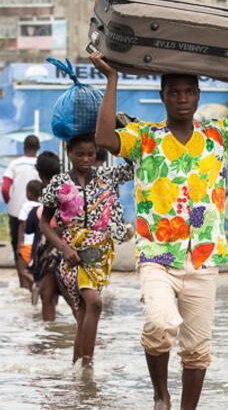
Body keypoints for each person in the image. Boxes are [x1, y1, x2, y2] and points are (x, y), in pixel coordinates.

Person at [92, 23, 228, 410]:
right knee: (161, 325)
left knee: (198, 349)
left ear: (198, 96)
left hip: (204, 256)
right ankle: (161, 395)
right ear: (162, 97)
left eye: (189, 92)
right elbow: (104, 139)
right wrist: (112, 80)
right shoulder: (145, 138)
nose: (182, 98)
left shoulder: (219, 136)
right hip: (157, 255)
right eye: (174, 92)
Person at [39, 134, 134, 367]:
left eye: (91, 154)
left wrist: (123, 131)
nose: (86, 159)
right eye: (80, 154)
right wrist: (63, 247)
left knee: (83, 312)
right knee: (94, 303)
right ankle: (88, 366)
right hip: (72, 254)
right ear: (68, 153)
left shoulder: (106, 177)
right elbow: (44, 222)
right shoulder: (59, 183)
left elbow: (134, 167)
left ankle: (79, 369)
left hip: (101, 254)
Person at [2, 135, 41, 288]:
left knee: (18, 249)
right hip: (39, 212)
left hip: (17, 212)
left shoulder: (14, 164)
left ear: (24, 147)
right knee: (38, 244)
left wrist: (10, 203)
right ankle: (38, 279)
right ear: (38, 148)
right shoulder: (41, 164)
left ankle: (23, 283)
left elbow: (5, 187)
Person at [30, 151, 62, 320]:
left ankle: (49, 337)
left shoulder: (46, 194)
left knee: (47, 297)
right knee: (75, 301)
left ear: (40, 173)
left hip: (49, 251)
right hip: (66, 248)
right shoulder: (68, 187)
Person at [15, 179, 44, 291]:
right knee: (36, 270)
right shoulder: (42, 206)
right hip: (38, 245)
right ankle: (34, 295)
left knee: (23, 271)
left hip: (26, 244)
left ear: (29, 193)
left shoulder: (26, 206)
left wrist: (19, 245)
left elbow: (22, 226)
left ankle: (36, 285)